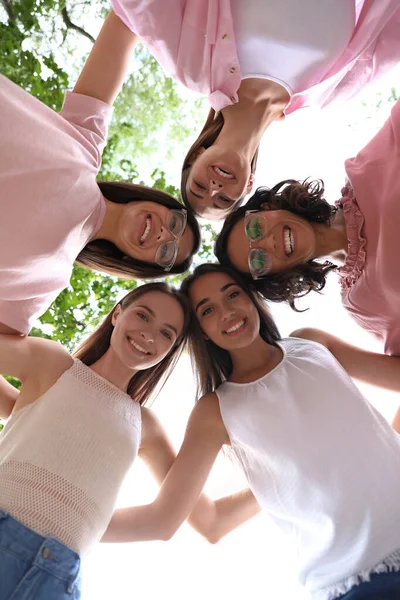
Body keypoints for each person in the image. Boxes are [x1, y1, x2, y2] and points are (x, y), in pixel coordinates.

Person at [100, 264, 400, 600]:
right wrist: (70, 521)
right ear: (202, 332)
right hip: (361, 580)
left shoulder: (312, 343)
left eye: (233, 295)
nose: (227, 312)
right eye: (208, 310)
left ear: (252, 299)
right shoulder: (215, 410)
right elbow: (208, 522)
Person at [0, 281, 259, 600]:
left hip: (56, 577)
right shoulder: (52, 363)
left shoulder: (144, 426)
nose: (149, 335)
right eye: (143, 316)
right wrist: (13, 404)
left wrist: (284, 481)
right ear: (116, 314)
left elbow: (194, 522)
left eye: (167, 333)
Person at [0, 9, 201, 340]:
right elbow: (127, 20)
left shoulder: (45, 284)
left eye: (166, 252)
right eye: (176, 224)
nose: (165, 234)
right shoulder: (84, 140)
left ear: (138, 264)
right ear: (161, 202)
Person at [110, 0, 400, 219]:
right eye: (223, 200)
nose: (214, 188)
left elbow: (143, 8)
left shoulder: (196, 69)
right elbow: (388, 37)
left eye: (199, 186)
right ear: (248, 186)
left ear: (197, 155)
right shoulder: (327, 96)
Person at [214, 92, 400, 358]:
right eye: (258, 259)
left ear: (268, 209)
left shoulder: (363, 172)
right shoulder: (362, 303)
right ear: (276, 276)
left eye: (255, 228)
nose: (268, 242)